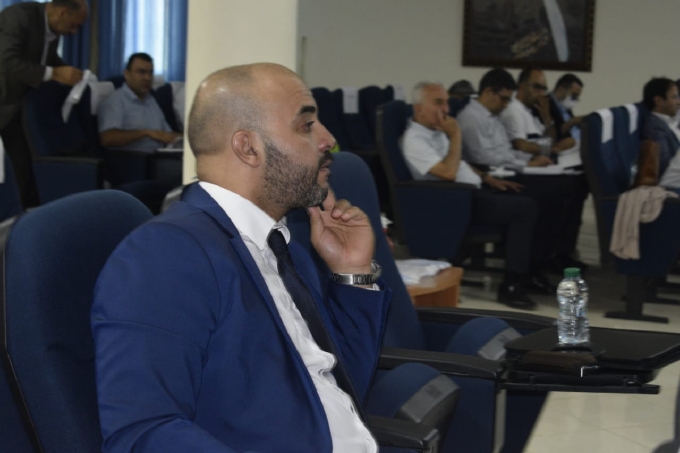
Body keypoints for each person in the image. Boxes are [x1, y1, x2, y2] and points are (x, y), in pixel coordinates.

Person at [92, 63, 391, 453]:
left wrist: (352, 272)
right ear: (248, 147)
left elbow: (346, 387)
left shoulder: (284, 247)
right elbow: (143, 432)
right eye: (306, 126)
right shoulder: (167, 255)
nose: (329, 140)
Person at [402, 81, 543, 309]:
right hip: (455, 201)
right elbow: (448, 173)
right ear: (419, 108)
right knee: (524, 208)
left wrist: (487, 178)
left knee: (534, 193)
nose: (446, 109)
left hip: (472, 191)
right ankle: (511, 284)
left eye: (446, 102)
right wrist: (456, 135)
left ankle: (531, 271)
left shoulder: (435, 131)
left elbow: (458, 162)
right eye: (438, 103)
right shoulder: (414, 140)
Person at [457, 67, 588, 274]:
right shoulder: (471, 118)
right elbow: (483, 158)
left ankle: (548, 257)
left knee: (569, 186)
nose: (506, 104)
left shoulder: (492, 115)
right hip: (492, 175)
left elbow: (507, 151)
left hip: (507, 168)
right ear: (489, 92)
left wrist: (530, 160)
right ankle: (535, 263)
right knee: (553, 192)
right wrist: (526, 164)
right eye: (504, 99)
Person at [0, 0, 88, 208]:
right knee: (11, 175)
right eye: (73, 25)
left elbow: (44, 57)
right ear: (62, 12)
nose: (74, 32)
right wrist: (55, 73)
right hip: (4, 101)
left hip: (18, 108)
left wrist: (70, 72)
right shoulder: (19, 17)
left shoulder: (52, 28)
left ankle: (25, 218)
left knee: (24, 170)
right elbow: (6, 62)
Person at [98, 53, 181, 153]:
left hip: (159, 155)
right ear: (127, 74)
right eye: (141, 72)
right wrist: (145, 133)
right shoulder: (116, 101)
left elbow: (167, 135)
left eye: (150, 73)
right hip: (132, 158)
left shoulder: (151, 100)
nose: (148, 78)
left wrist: (185, 138)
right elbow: (108, 138)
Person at [500, 68, 576, 156]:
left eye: (544, 89)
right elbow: (521, 146)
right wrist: (553, 150)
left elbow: (550, 141)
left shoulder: (533, 109)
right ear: (521, 86)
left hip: (543, 158)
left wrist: (547, 118)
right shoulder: (513, 109)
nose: (541, 93)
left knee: (571, 141)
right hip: (527, 162)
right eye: (537, 87)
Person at [642, 77, 680, 180]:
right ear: (659, 101)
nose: (678, 102)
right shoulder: (655, 127)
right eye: (674, 97)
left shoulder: (667, 121)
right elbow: (664, 165)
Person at [549, 73, 585, 141]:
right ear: (561, 90)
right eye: (573, 95)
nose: (575, 100)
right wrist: (572, 121)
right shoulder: (546, 105)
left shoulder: (564, 106)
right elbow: (553, 135)